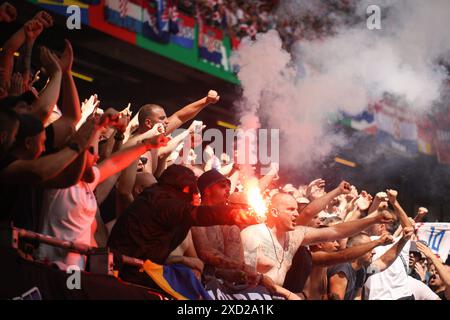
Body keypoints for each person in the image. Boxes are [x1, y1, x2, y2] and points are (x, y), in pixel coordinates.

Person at [107, 164, 258, 287]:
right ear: (185, 188)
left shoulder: (165, 201)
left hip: (140, 274)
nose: (194, 194)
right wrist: (232, 214)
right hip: (123, 275)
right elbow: (194, 215)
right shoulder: (160, 200)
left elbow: (195, 259)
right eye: (191, 189)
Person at [38, 127, 167, 269]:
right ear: (77, 156)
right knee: (72, 288)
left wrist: (147, 145)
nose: (98, 158)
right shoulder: (60, 186)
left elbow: (114, 163)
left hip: (76, 270)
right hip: (53, 268)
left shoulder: (86, 184)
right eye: (92, 153)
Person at [241, 192, 395, 299]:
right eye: (290, 210)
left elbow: (337, 231)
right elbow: (244, 279)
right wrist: (288, 295)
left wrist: (374, 219)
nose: (296, 214)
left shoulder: (295, 235)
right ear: (274, 212)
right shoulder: (252, 235)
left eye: (296, 209)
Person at [328, 229, 413, 300]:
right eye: (369, 248)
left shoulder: (362, 269)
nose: (374, 252)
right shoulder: (342, 269)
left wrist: (403, 240)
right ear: (355, 249)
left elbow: (384, 261)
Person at [363, 189, 415, 300]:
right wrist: (380, 202)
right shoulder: (369, 240)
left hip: (402, 297)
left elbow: (408, 228)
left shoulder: (400, 242)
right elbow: (367, 224)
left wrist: (394, 202)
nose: (373, 221)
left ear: (382, 226)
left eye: (377, 220)